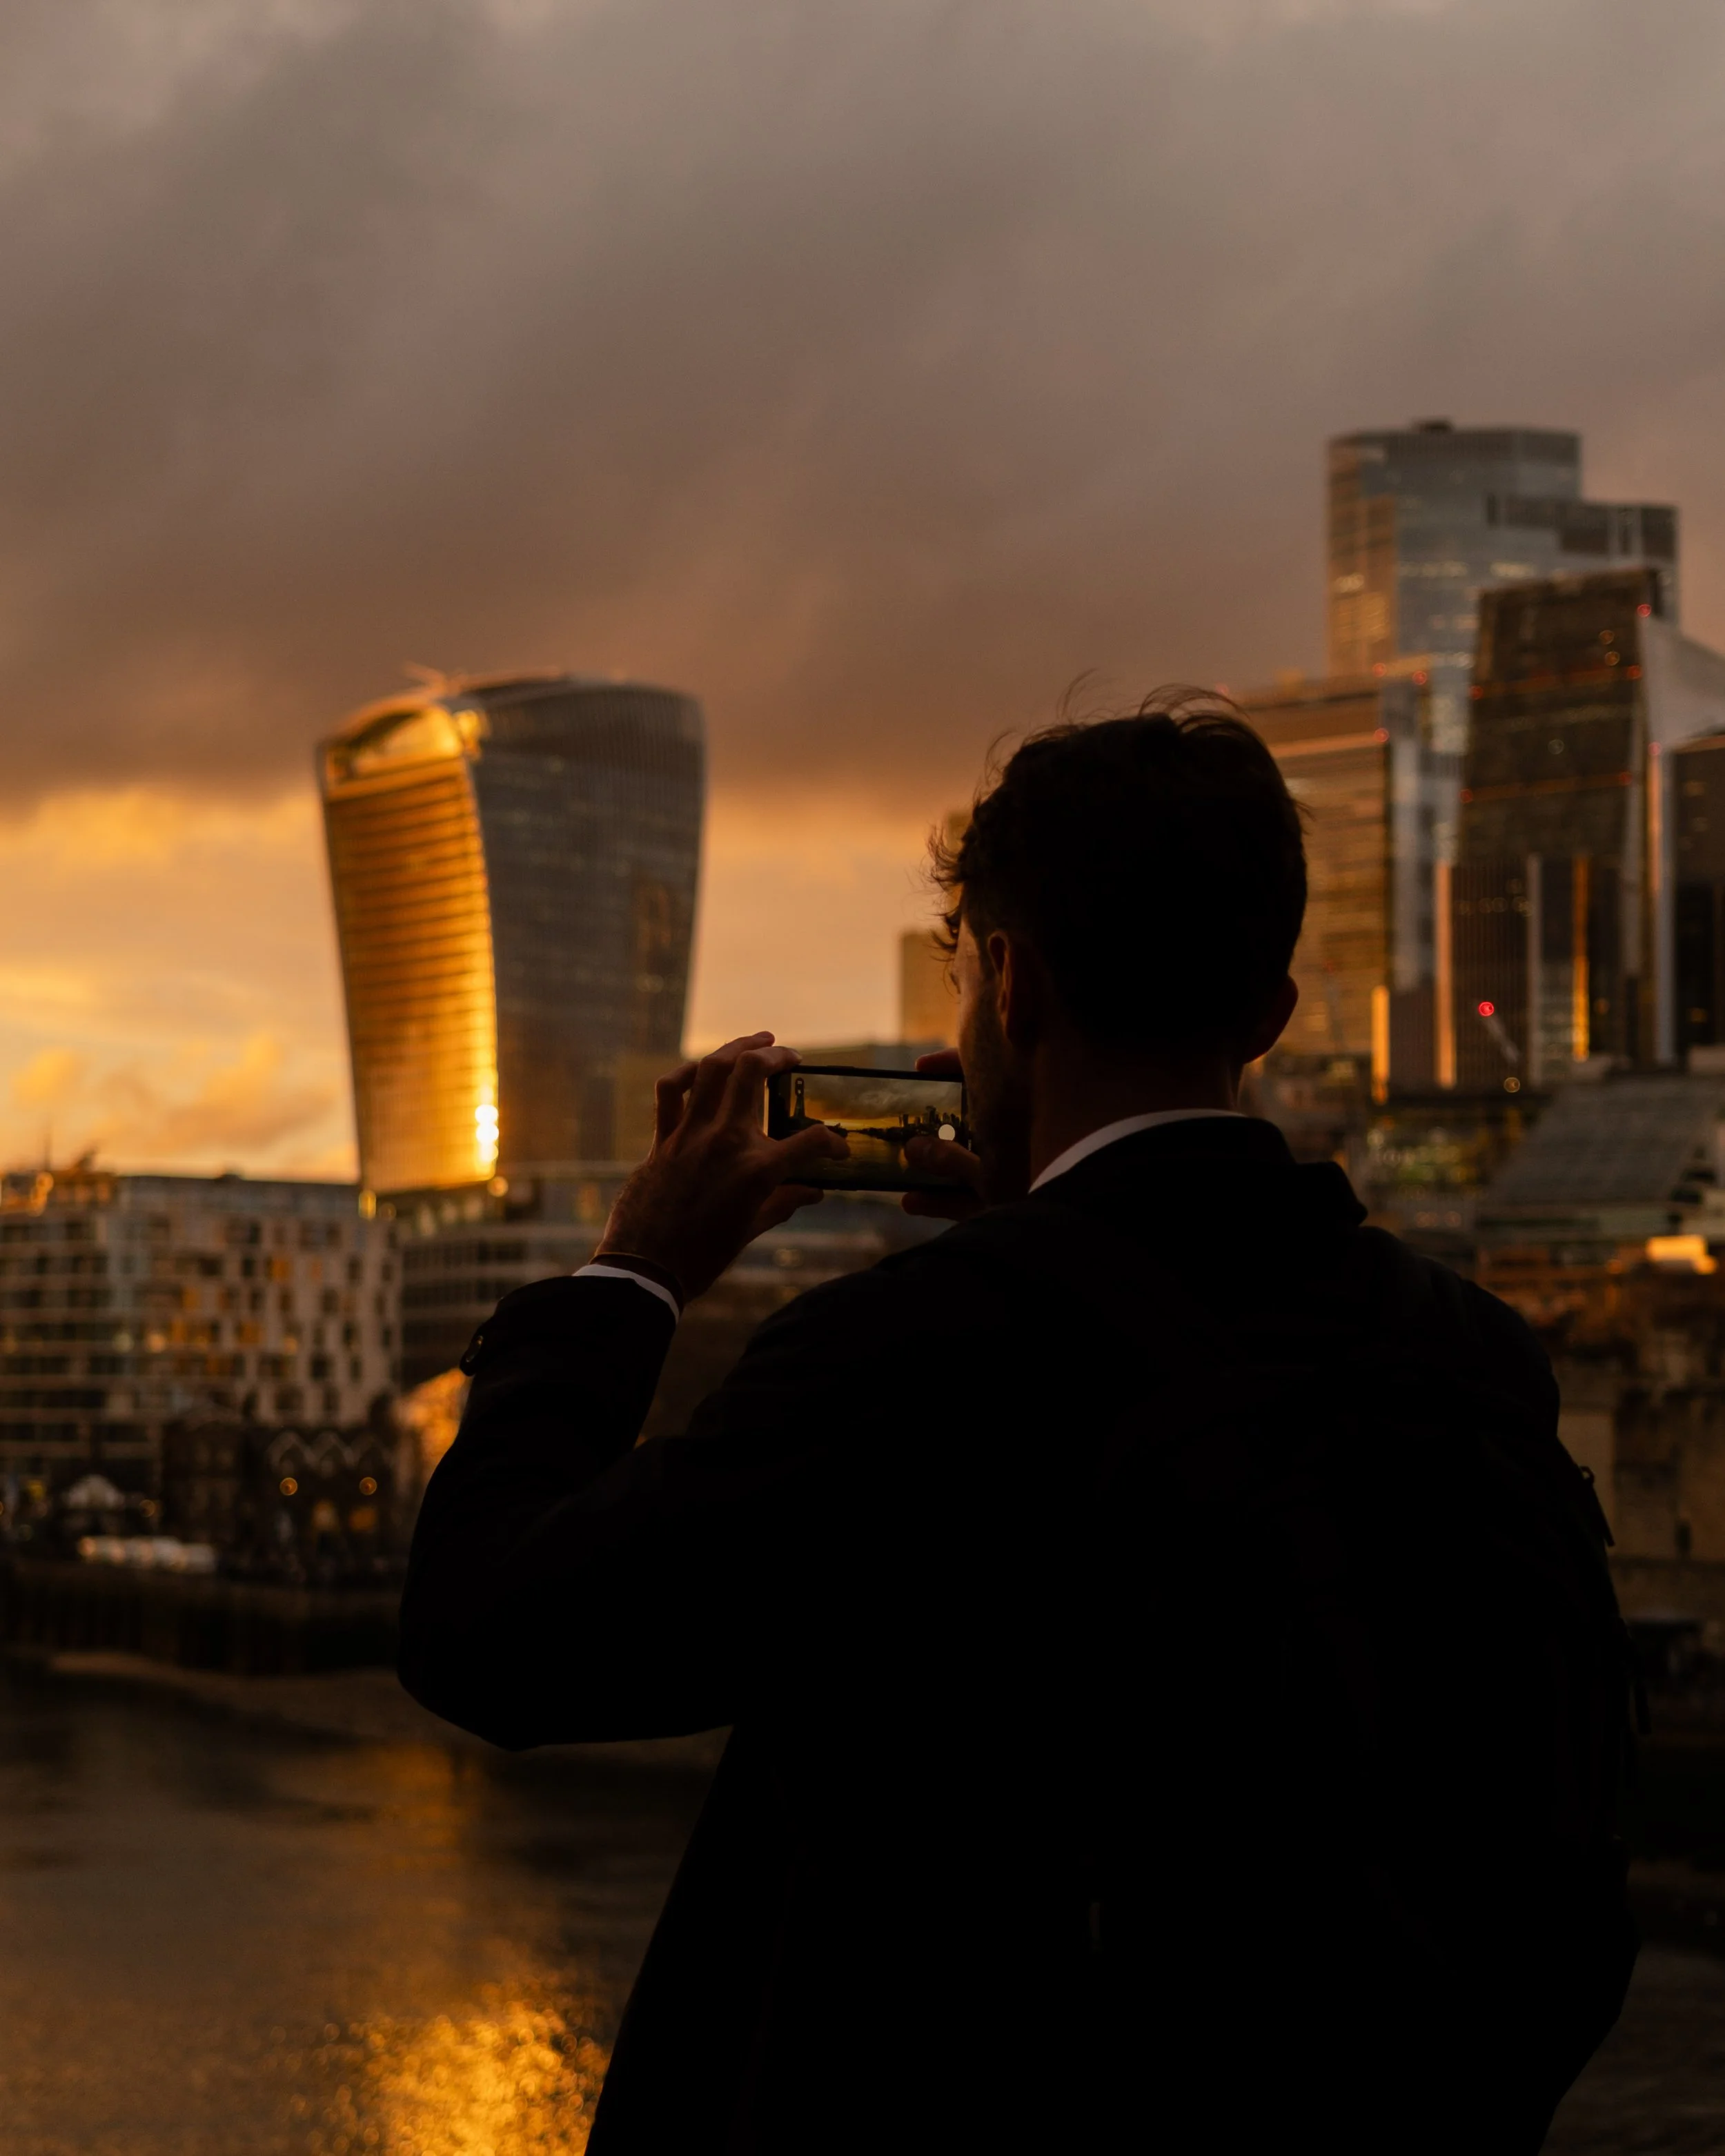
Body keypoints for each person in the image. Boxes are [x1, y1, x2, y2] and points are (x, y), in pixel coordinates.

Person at [399, 695, 1637, 2154]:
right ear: (1268, 1012)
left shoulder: (918, 1352)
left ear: (1008, 983)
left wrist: (631, 1275)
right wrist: (1040, 1231)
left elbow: (488, 1629)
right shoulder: (1461, 1348)